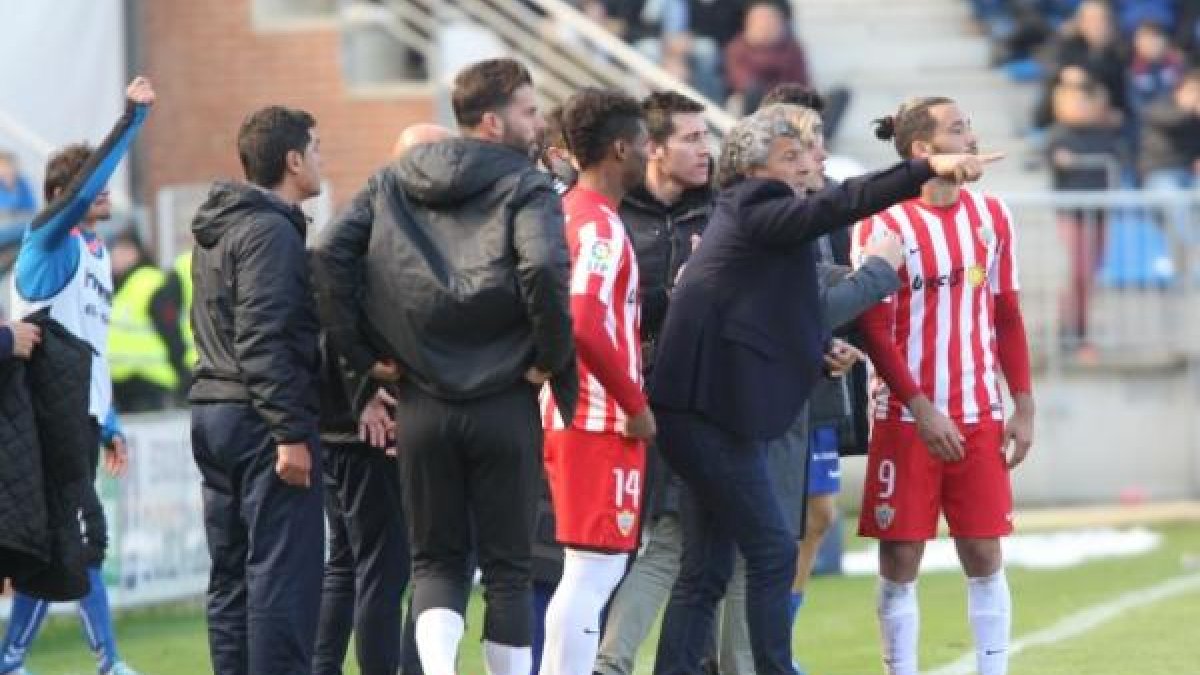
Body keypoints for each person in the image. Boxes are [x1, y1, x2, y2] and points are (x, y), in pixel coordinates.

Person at [647, 102, 995, 675]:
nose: (810, 161)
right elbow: (843, 205)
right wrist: (922, 177)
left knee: (706, 569)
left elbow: (769, 311)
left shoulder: (752, 212)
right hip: (705, 414)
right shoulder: (762, 203)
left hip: (708, 410)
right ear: (757, 167)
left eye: (806, 150)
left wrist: (815, 347)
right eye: (793, 154)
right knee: (771, 550)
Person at [312, 57, 575, 675]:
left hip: (423, 402)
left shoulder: (389, 181)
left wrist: (367, 356)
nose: (538, 124)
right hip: (505, 398)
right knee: (508, 566)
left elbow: (325, 255)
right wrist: (550, 358)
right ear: (492, 121)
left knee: (436, 564)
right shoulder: (527, 184)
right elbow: (541, 269)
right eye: (529, 112)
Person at [854, 97, 1035, 675]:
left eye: (970, 124)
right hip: (907, 418)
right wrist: (920, 407)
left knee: (984, 552)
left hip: (980, 410)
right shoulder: (885, 223)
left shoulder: (993, 216)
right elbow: (874, 327)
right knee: (901, 556)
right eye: (958, 128)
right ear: (923, 151)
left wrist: (1023, 404)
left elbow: (1006, 313)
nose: (972, 135)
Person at [1, 77, 155, 675]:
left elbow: (94, 346)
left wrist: (110, 418)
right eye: (93, 184)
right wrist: (133, 120)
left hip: (82, 418)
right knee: (74, 540)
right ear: (65, 194)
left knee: (65, 544)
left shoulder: (95, 256)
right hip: (43, 420)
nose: (105, 191)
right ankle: (105, 661)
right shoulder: (49, 245)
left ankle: (21, 659)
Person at [312, 121, 453, 675]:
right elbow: (335, 321)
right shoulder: (374, 234)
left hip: (353, 424)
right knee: (387, 569)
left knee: (352, 564)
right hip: (372, 429)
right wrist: (369, 387)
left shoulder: (383, 228)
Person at [188, 105, 325, 674]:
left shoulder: (218, 226)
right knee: (279, 576)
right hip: (258, 420)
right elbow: (264, 338)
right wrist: (290, 433)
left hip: (214, 411)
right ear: (293, 160)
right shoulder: (270, 229)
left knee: (232, 575)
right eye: (316, 149)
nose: (321, 160)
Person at [593, 90, 713, 675]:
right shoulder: (613, 215)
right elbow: (603, 311)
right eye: (691, 139)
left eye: (707, 136)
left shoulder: (715, 211)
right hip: (623, 400)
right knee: (637, 544)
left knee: (684, 539)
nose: (706, 150)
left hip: (697, 400)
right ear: (653, 149)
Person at [537, 88, 654, 675]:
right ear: (617, 149)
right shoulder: (597, 227)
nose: (649, 154)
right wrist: (634, 401)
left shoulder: (568, 213)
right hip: (598, 415)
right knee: (594, 567)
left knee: (589, 567)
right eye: (644, 143)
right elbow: (583, 318)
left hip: (572, 411)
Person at [108, 232, 187, 412]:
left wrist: (182, 374)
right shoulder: (117, 285)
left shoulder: (150, 282)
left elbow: (171, 331)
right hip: (121, 385)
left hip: (149, 382)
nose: (115, 256)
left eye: (122, 250)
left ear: (135, 252)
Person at [0, 151, 36, 217]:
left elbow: (31, 207)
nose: (7, 171)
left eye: (9, 168)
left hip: (20, 221)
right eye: (3, 169)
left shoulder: (22, 184)